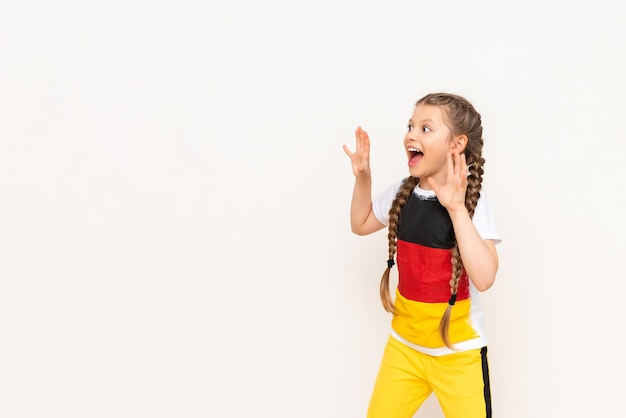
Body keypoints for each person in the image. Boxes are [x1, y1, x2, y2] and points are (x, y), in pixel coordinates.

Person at [342, 92, 501, 418]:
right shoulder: (404, 192)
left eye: (426, 128)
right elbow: (360, 223)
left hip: (459, 355)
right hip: (405, 349)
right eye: (410, 125)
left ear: (456, 144)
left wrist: (456, 209)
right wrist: (364, 179)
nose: (411, 134)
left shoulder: (473, 202)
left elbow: (484, 278)